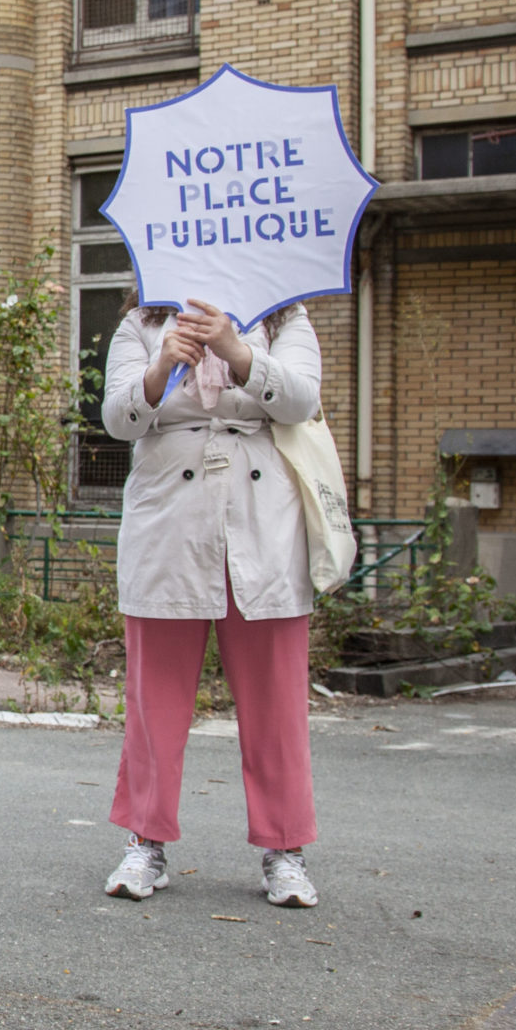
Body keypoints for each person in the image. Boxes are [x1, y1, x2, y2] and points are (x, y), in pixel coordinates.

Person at [97, 292, 324, 909]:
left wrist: (236, 350)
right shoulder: (143, 322)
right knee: (155, 700)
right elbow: (117, 419)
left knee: (276, 698)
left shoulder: (284, 316)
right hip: (168, 522)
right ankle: (145, 840)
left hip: (264, 524)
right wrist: (160, 368)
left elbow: (303, 399)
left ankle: (285, 849)